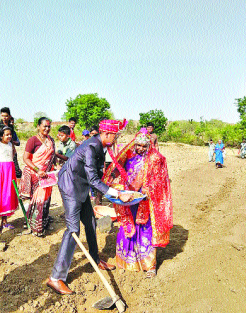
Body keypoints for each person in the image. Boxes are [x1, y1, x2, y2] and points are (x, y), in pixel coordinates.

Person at [46, 119, 132, 295]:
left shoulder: (100, 145)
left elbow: (96, 174)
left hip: (81, 185)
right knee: (73, 230)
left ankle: (95, 258)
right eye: (115, 135)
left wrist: (114, 186)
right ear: (106, 134)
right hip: (71, 186)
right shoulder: (92, 147)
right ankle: (56, 278)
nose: (117, 138)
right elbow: (93, 179)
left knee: (90, 222)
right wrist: (116, 194)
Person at [102, 128, 173, 278]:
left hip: (146, 202)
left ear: (149, 146)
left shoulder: (155, 159)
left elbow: (161, 181)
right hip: (129, 201)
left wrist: (149, 191)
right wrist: (119, 189)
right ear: (134, 144)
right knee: (128, 227)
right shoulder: (128, 155)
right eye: (138, 145)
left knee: (146, 229)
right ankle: (127, 261)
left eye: (144, 146)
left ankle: (149, 266)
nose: (140, 149)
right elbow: (117, 171)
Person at [20, 117, 60, 236]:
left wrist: (56, 166)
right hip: (36, 174)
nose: (47, 129)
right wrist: (38, 170)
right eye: (44, 126)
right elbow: (25, 158)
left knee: (46, 199)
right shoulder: (33, 140)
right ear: (38, 126)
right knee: (38, 200)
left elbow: (53, 156)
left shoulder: (51, 140)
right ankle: (35, 227)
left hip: (48, 174)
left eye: (49, 126)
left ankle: (44, 222)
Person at [0, 107, 22, 181]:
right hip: (1, 151)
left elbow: (12, 140)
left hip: (10, 150)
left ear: (9, 116)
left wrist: (14, 149)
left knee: (16, 170)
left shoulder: (11, 126)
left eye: (6, 116)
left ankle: (16, 189)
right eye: (2, 116)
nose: (4, 118)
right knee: (2, 171)